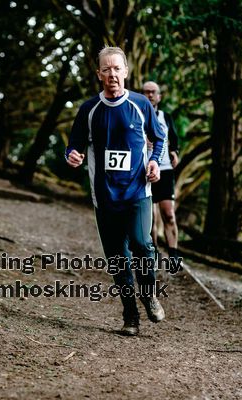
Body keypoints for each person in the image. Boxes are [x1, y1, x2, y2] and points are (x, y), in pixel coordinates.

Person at [65, 47, 166, 336]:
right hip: (105, 196)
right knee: (118, 259)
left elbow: (157, 140)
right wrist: (72, 155)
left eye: (117, 69)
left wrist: (153, 163)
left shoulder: (140, 104)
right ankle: (130, 316)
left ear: (126, 72)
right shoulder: (89, 109)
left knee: (141, 244)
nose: (112, 74)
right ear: (99, 74)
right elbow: (73, 145)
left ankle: (148, 293)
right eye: (106, 69)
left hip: (137, 191)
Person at [142, 81, 180, 263]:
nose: (149, 95)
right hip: (143, 169)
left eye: (153, 92)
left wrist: (175, 152)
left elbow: (173, 138)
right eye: (146, 92)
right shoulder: (136, 114)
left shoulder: (166, 117)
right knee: (150, 216)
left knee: (168, 214)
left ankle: (173, 254)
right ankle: (154, 251)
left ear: (159, 96)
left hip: (164, 169)